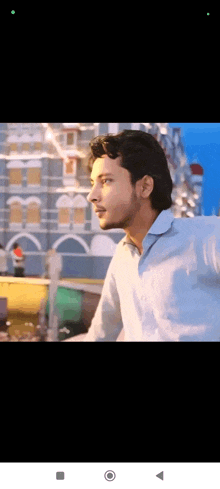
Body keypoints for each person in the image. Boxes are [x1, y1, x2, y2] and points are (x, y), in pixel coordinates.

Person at [77, 129, 220, 341]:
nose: (92, 196)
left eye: (106, 181)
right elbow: (101, 334)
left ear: (144, 187)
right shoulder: (122, 257)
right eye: (92, 184)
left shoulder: (207, 237)